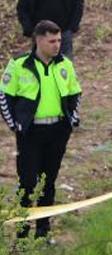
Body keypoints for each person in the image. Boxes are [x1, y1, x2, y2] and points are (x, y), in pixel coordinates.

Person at [0, 20, 82, 240]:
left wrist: (72, 119)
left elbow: (76, 93)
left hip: (57, 131)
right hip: (30, 133)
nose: (57, 45)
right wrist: (14, 124)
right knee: (28, 182)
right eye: (52, 41)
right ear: (38, 40)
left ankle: (43, 233)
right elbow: (4, 97)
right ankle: (22, 232)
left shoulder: (65, 64)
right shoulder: (19, 65)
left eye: (59, 40)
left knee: (48, 182)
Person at [17, 0, 84, 59]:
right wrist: (29, 29)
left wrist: (72, 26)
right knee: (40, 65)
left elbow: (78, 5)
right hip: (41, 34)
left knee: (65, 67)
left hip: (64, 32)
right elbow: (22, 8)